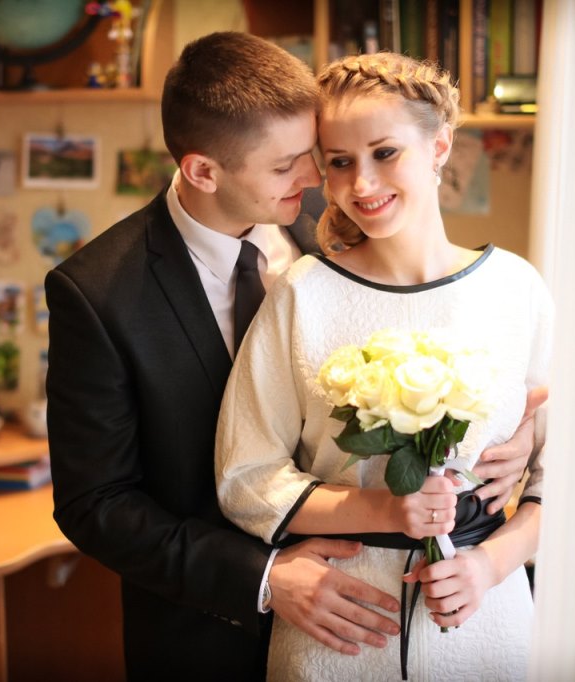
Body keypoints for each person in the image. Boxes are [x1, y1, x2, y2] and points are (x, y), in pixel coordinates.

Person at [46, 33, 540, 680]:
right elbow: (96, 504)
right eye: (288, 165)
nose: (317, 180)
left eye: (313, 157)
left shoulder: (341, 211)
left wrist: (517, 430)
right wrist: (265, 577)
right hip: (207, 633)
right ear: (204, 172)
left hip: (403, 618)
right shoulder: (99, 292)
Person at [215, 51, 552, 681]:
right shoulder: (301, 293)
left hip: (488, 628)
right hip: (337, 630)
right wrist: (386, 511)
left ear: (439, 146)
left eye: (385, 153)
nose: (362, 184)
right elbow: (245, 477)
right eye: (340, 162)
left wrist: (490, 566)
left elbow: (563, 481)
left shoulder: (517, 288)